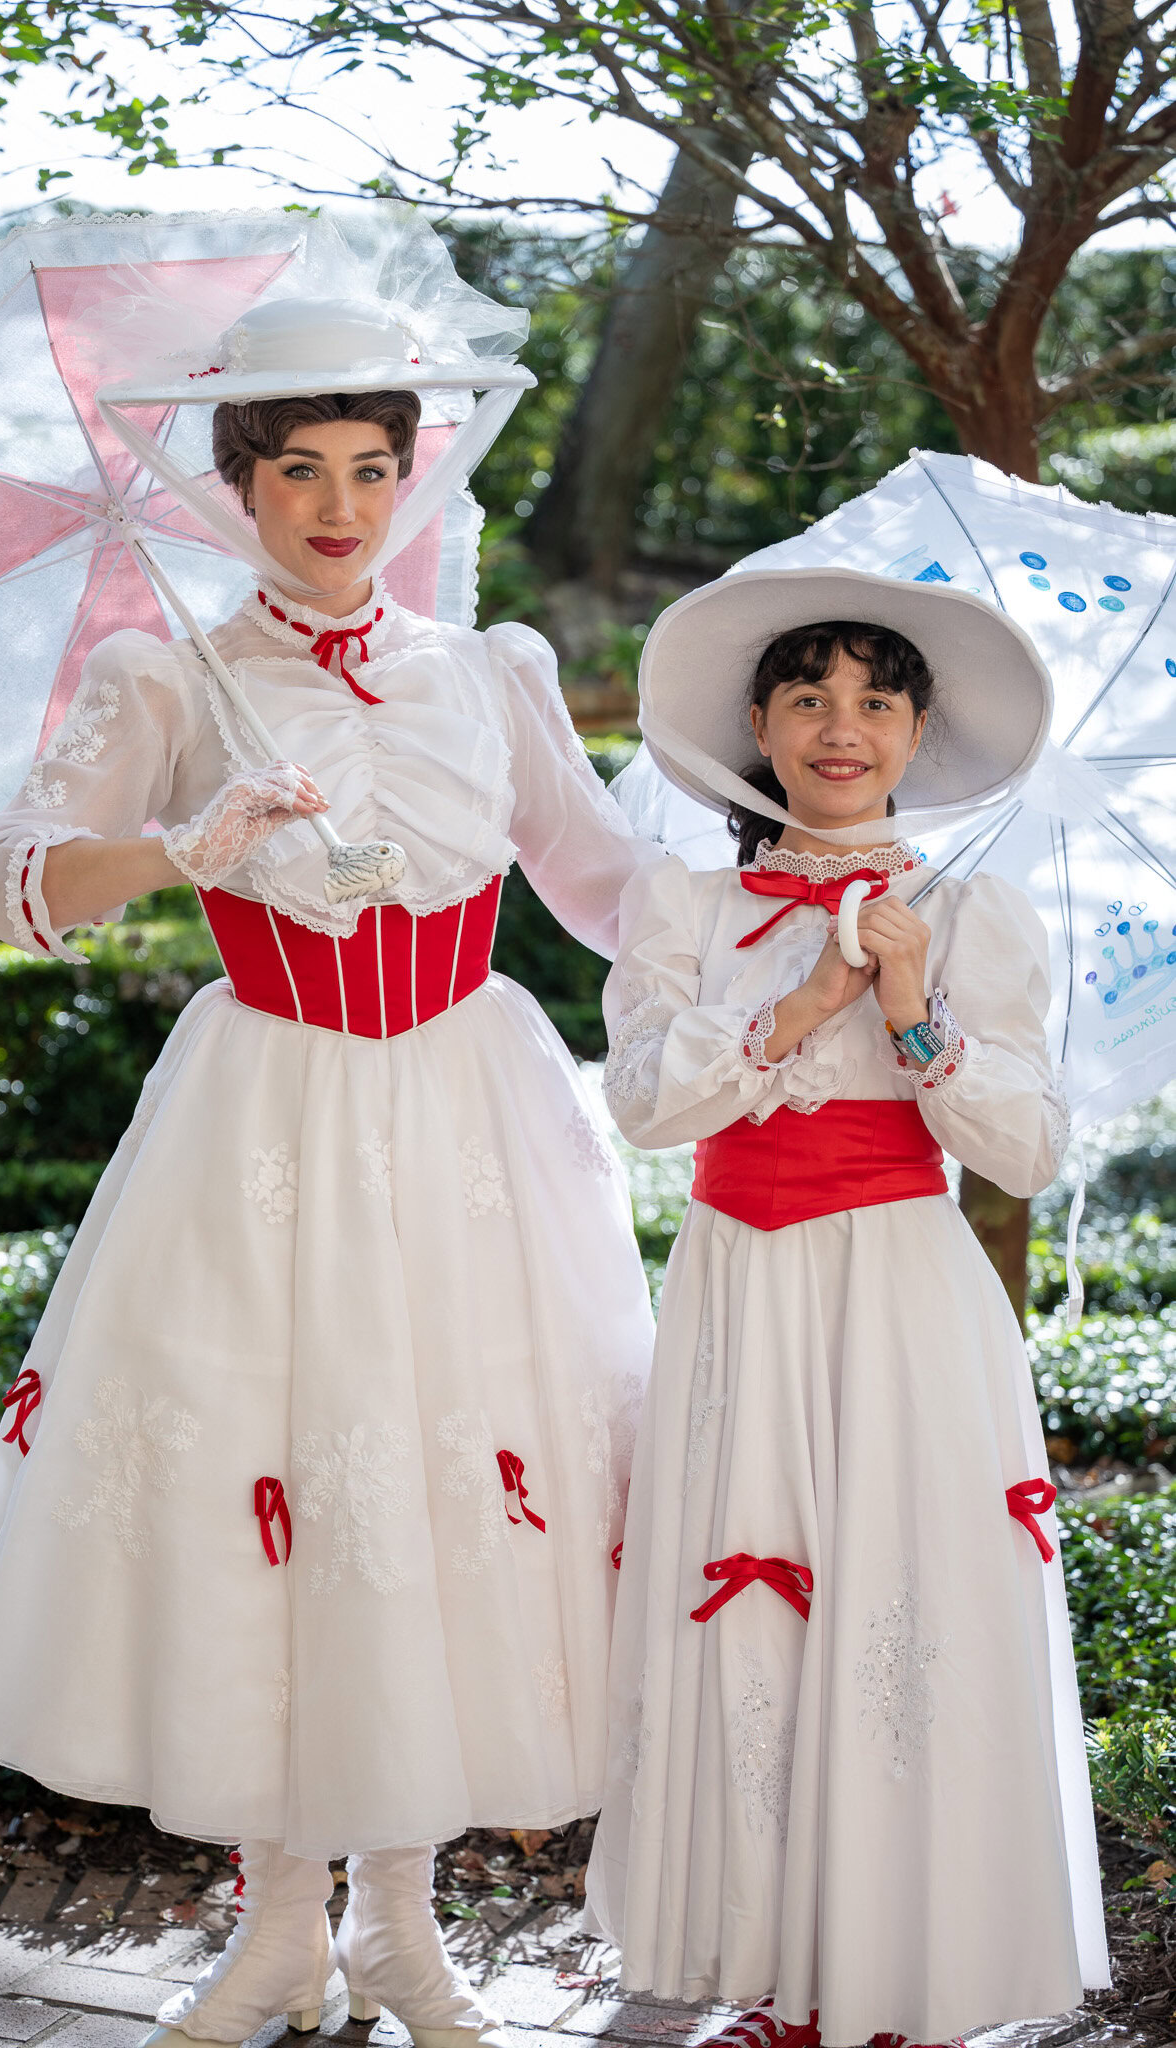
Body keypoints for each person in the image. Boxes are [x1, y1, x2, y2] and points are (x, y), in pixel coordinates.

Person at [0, 249, 657, 2048]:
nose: (338, 508)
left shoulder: (492, 668)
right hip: (265, 1121)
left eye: (369, 468)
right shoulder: (166, 679)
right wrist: (188, 846)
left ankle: (403, 1935)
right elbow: (0, 884)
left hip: (470, 1116)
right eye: (298, 470)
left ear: (414, 476)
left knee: (433, 1495)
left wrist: (803, 926)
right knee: (270, 1495)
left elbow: (612, 887)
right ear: (234, 482)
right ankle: (273, 1936)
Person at [584, 566, 1109, 2048]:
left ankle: (898, 1975)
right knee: (754, 1609)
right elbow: (644, 1103)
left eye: (877, 700)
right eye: (808, 695)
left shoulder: (972, 910)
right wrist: (804, 1001)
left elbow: (1025, 1149)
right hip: (741, 1291)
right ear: (755, 721)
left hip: (898, 1288)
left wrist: (912, 1011)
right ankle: (768, 1974)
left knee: (899, 1607)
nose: (841, 727)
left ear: (917, 729)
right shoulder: (681, 899)